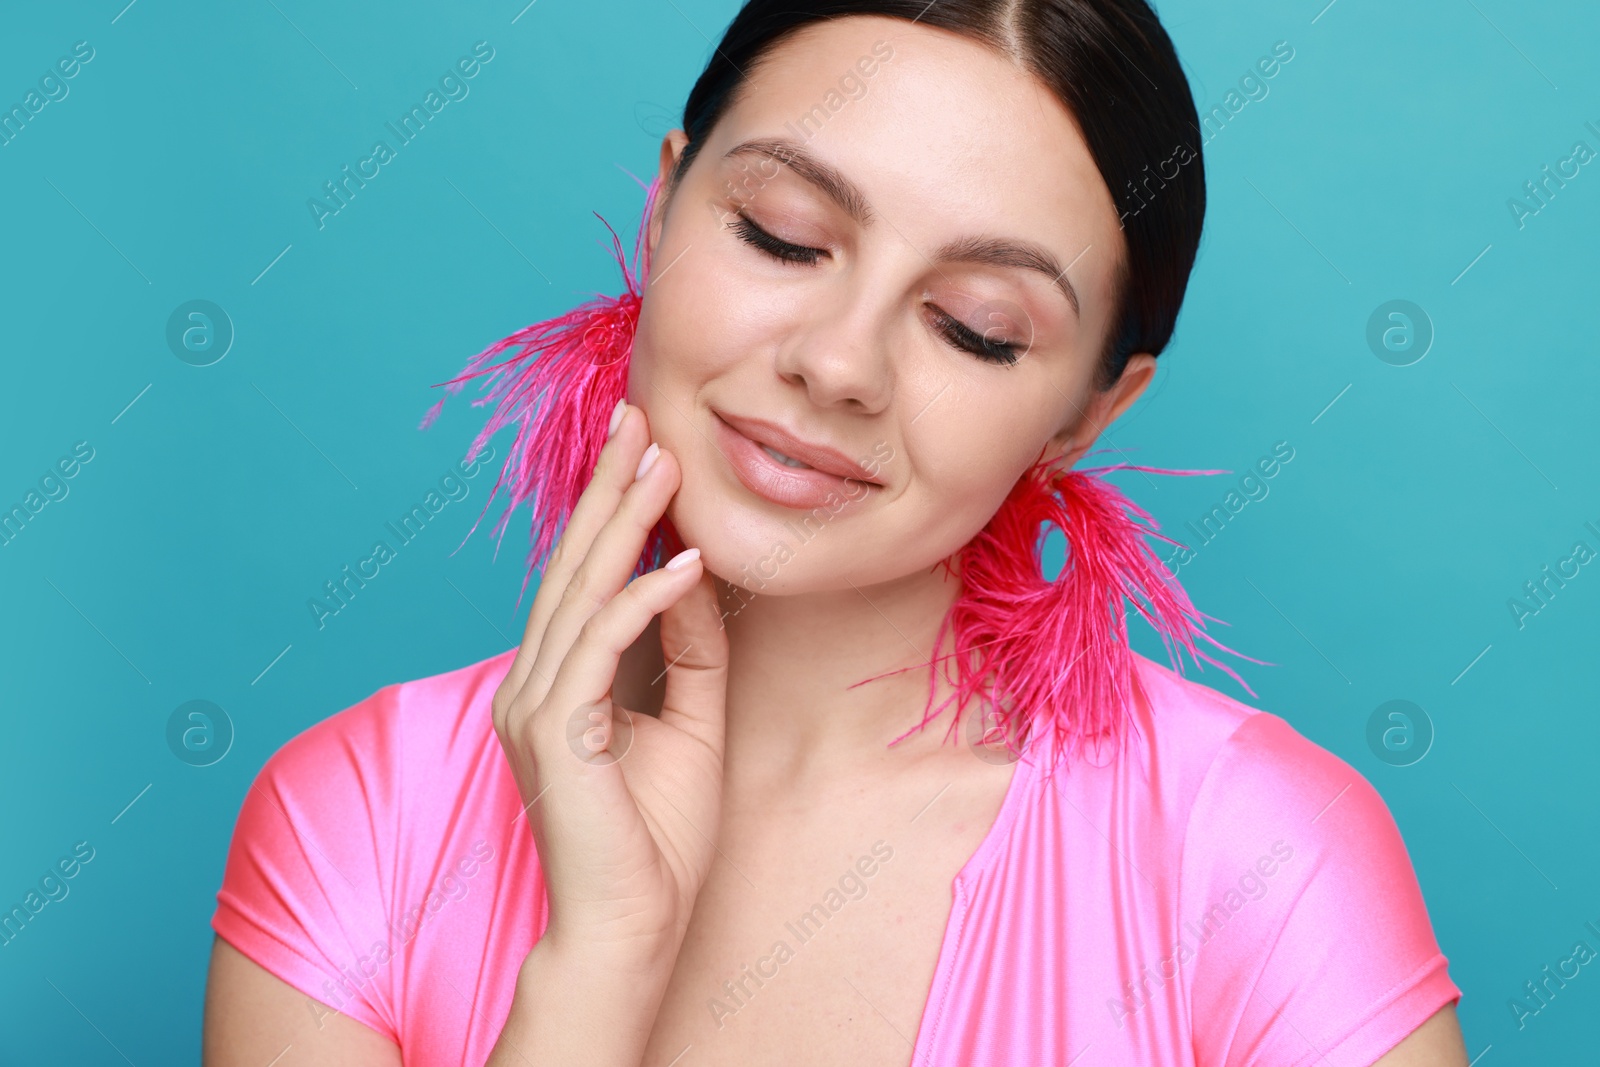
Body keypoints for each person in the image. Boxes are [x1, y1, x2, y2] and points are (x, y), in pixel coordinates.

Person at [202, 3, 1470, 1065]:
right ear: (661, 207)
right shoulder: (360, 822)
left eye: (975, 325)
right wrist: (595, 968)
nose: (837, 363)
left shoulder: (1256, 864)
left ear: (1090, 408)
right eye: (782, 235)